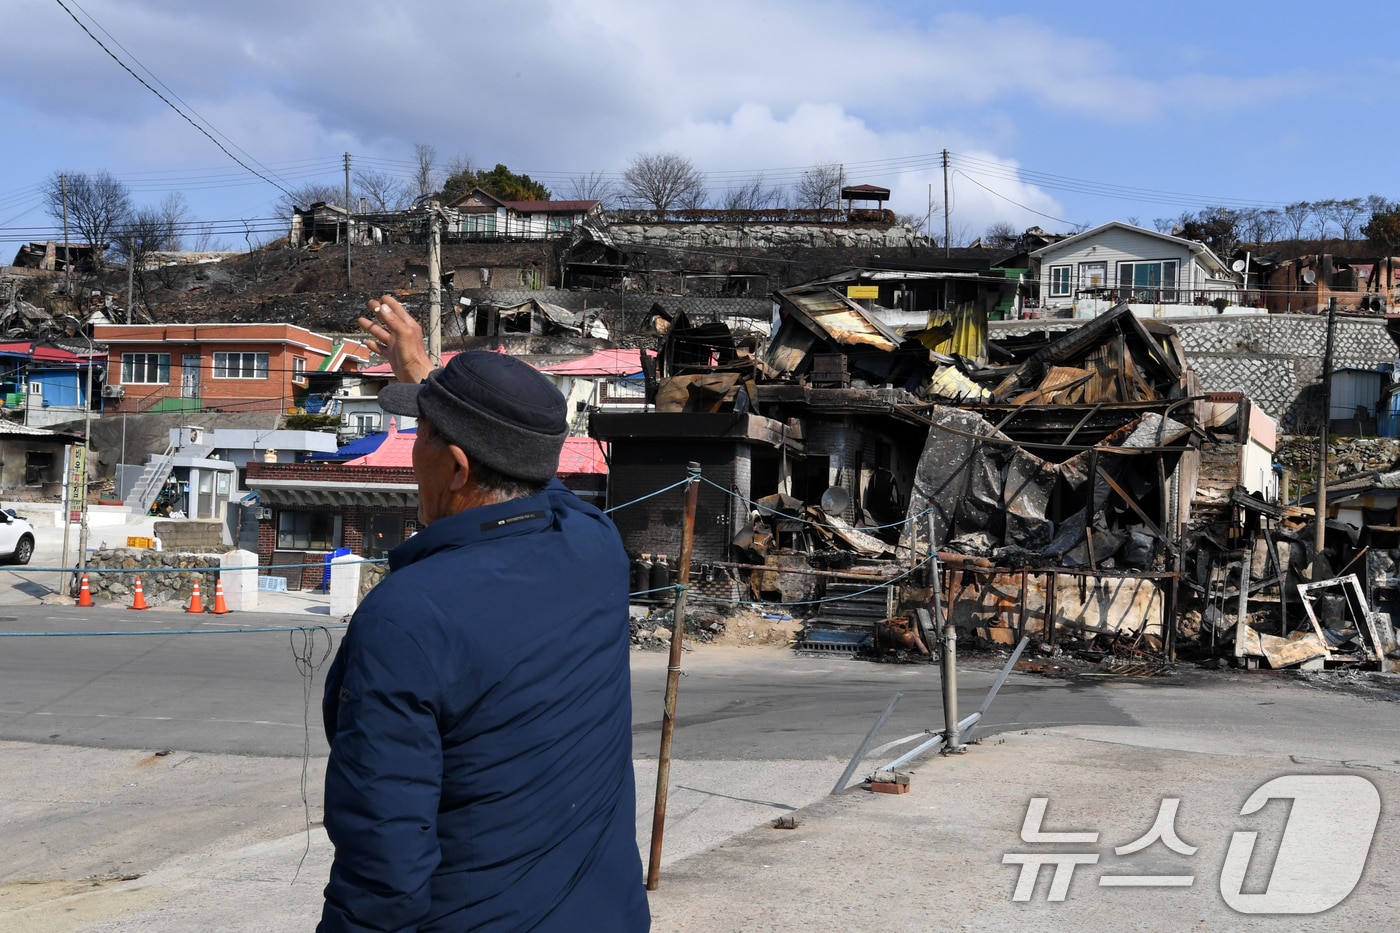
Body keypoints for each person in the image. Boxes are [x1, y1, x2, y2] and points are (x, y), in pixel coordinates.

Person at [318, 295, 649, 932]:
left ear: (455, 464)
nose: (413, 453)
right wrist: (427, 379)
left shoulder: (407, 619)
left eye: (422, 436)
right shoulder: (595, 547)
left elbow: (384, 869)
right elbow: (534, 473)